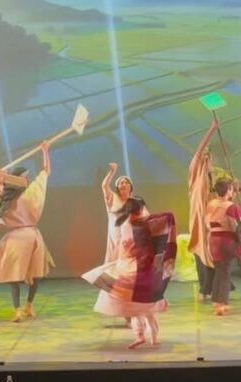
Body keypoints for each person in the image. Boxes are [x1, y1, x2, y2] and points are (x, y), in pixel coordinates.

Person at [82, 196, 178, 349]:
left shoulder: (128, 224)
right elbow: (167, 217)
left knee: (136, 308)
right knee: (146, 308)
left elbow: (124, 247)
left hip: (131, 269)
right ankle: (149, 337)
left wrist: (119, 264)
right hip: (140, 271)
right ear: (138, 210)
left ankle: (143, 336)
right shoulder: (142, 224)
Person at [0, 140, 55, 322]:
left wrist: (45, 151)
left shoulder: (24, 194)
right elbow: (45, 171)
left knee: (33, 275)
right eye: (26, 177)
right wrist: (0, 180)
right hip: (22, 238)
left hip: (26, 237)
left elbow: (45, 172)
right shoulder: (8, 198)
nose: (28, 179)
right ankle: (19, 309)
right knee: (17, 276)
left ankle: (26, 306)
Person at [188, 118, 219, 300]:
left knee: (212, 252)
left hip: (213, 221)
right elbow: (199, 151)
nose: (206, 157)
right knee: (200, 251)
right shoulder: (195, 173)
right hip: (198, 220)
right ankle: (204, 288)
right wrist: (211, 130)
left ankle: (210, 288)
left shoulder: (215, 176)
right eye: (204, 155)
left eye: (209, 156)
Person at [206, 179, 241, 316]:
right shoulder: (231, 207)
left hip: (213, 240)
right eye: (231, 189)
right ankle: (221, 304)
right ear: (229, 190)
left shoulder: (211, 204)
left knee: (219, 271)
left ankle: (216, 301)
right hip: (226, 241)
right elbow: (237, 226)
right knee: (226, 272)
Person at [100, 162, 133, 263]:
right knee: (114, 263)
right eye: (120, 183)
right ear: (117, 187)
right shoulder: (113, 198)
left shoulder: (135, 202)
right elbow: (104, 186)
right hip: (115, 237)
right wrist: (112, 171)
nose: (123, 184)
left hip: (129, 240)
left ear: (130, 187)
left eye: (126, 183)